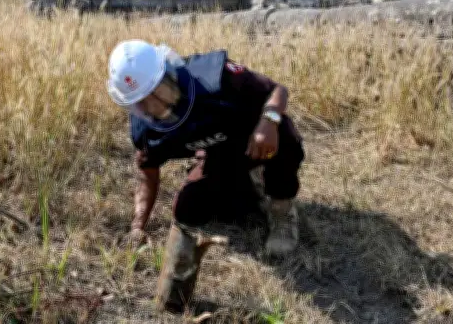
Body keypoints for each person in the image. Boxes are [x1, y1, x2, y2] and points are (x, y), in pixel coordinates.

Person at [105, 39, 305, 257]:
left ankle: (282, 209)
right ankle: (249, 183)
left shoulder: (215, 78)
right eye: (142, 101)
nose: (154, 105)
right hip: (217, 155)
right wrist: (137, 226)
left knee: (284, 133)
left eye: (157, 91)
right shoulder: (145, 132)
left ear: (169, 73)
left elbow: (277, 90)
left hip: (252, 137)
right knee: (188, 211)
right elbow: (147, 174)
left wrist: (269, 120)